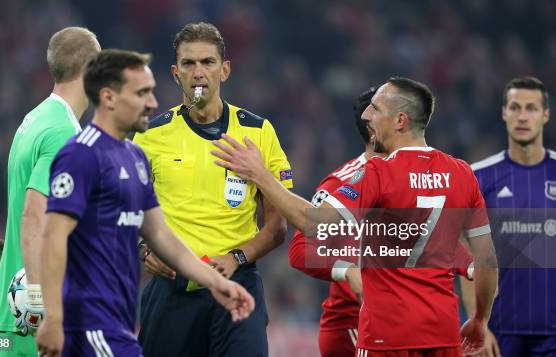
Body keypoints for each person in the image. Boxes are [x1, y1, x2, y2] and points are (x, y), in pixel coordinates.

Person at [213, 77, 499, 356]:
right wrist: (479, 321)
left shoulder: (377, 173)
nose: (365, 115)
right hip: (439, 333)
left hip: (385, 335)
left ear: (400, 121)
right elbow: (486, 260)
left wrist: (260, 175)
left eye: (375, 109)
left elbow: (311, 223)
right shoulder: (462, 173)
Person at [34, 49, 254, 357]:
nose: (152, 103)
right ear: (109, 97)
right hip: (88, 324)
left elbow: (161, 235)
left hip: (118, 322)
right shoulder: (82, 155)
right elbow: (52, 236)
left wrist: (215, 282)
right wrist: (54, 318)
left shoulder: (134, 156)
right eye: (142, 93)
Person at [132, 22, 291, 357]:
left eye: (208, 62)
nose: (198, 72)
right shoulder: (150, 136)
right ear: (176, 73)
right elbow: (122, 213)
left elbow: (278, 228)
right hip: (172, 289)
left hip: (238, 285)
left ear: (225, 69)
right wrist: (145, 250)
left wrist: (236, 258)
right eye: (189, 64)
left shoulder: (258, 133)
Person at [289, 88, 476, 357]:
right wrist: (348, 270)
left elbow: (424, 240)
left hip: (408, 324)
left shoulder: (410, 177)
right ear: (374, 129)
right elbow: (299, 250)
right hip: (353, 324)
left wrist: (469, 264)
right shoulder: (344, 180)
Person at [0, 27, 101, 355]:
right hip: (35, 316)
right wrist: (43, 309)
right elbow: (33, 221)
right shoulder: (62, 133)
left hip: (17, 304)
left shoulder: (35, 118)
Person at [465, 76, 555, 357]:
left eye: (531, 108)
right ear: (504, 113)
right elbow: (468, 259)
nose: (523, 116)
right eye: (515, 107)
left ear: (545, 115)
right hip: (499, 332)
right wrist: (479, 324)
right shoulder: (478, 177)